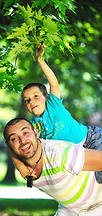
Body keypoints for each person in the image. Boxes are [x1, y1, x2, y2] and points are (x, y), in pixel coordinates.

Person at [11, 44, 102, 183]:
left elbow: (53, 82)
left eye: (36, 96)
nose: (31, 102)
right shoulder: (33, 127)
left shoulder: (53, 105)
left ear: (46, 96)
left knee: (100, 176)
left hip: (90, 139)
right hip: (75, 154)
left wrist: (41, 60)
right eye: (27, 100)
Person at [3, 118, 102, 216]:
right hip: (69, 213)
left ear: (36, 132)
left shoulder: (62, 156)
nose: (22, 141)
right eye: (14, 138)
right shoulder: (25, 169)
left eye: (25, 133)